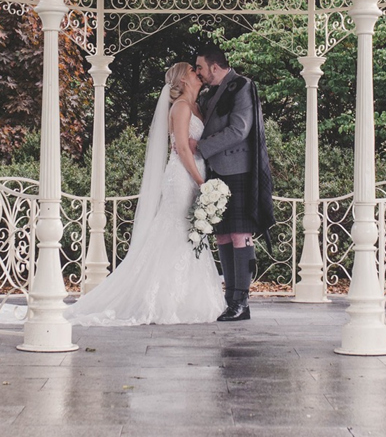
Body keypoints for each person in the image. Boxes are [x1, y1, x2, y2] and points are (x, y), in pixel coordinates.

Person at [64, 62, 225, 326]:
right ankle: (162, 300)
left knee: (190, 231)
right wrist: (201, 182)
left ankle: (185, 297)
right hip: (183, 177)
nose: (199, 74)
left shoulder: (197, 106)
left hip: (195, 174)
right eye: (193, 72)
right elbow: (183, 148)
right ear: (184, 80)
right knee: (177, 230)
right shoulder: (182, 107)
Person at [194, 44, 275, 322]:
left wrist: (202, 148)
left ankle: (241, 300)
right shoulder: (207, 93)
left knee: (240, 235)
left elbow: (240, 129)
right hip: (216, 171)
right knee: (222, 236)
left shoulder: (242, 86)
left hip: (238, 169)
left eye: (200, 67)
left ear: (214, 66)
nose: (198, 73)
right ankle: (231, 300)